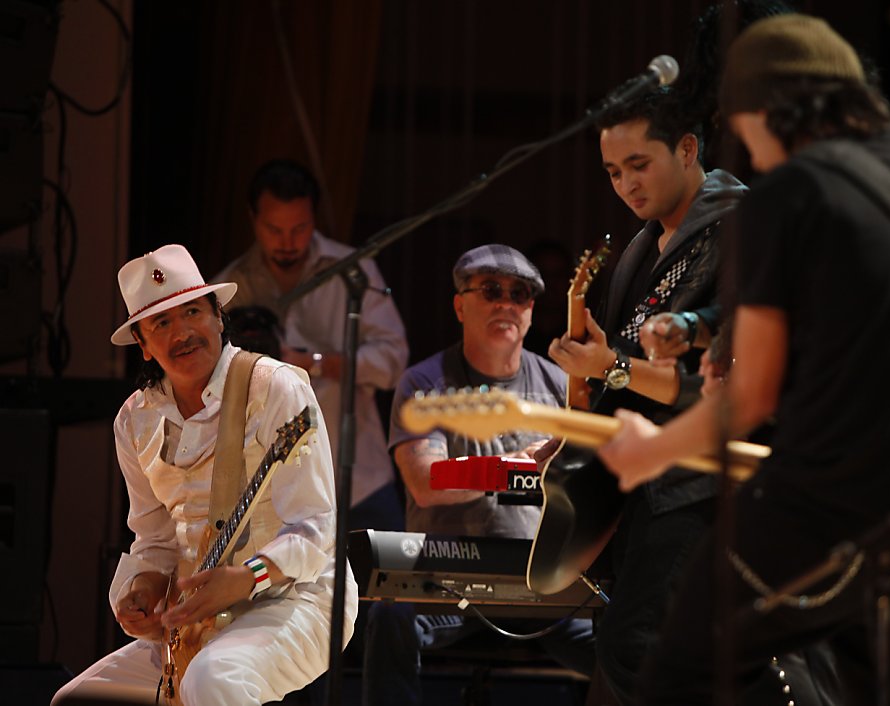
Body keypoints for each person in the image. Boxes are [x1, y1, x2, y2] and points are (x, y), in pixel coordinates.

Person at [599, 14, 890, 705]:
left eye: (747, 131)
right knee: (889, 692)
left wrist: (654, 450)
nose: (753, 156)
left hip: (826, 505)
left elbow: (748, 397)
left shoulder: (785, 197)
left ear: (767, 110)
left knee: (666, 666)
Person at [52, 244, 357, 705]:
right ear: (144, 345)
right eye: (161, 323)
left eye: (192, 312)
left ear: (217, 315)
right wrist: (142, 592)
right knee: (78, 700)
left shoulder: (272, 386)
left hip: (299, 598)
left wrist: (248, 576)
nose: (182, 332)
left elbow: (317, 528)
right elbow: (154, 541)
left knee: (212, 680)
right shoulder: (134, 420)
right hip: (196, 614)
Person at [546, 84, 746, 705]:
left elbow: (729, 377)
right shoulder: (640, 248)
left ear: (688, 149)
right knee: (622, 651)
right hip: (644, 481)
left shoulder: (739, 226)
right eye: (613, 172)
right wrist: (589, 380)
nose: (626, 184)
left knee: (635, 645)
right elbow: (616, 379)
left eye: (639, 165)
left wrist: (613, 368)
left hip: (701, 479)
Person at [362, 244, 596, 705]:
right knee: (389, 618)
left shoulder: (559, 386)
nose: (507, 302)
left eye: (521, 293)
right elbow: (426, 482)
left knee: (632, 646)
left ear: (531, 311)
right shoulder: (424, 383)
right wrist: (511, 469)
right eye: (491, 290)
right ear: (459, 305)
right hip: (449, 582)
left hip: (539, 581)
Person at [214, 158, 409, 536]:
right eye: (274, 229)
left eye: (300, 228)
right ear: (252, 218)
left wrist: (314, 363)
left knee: (385, 591)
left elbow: (393, 360)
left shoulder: (352, 270)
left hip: (356, 479)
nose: (287, 242)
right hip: (270, 489)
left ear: (314, 218)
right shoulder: (228, 288)